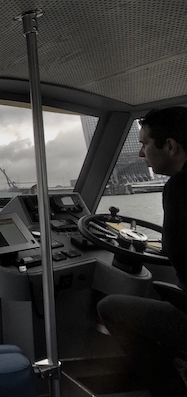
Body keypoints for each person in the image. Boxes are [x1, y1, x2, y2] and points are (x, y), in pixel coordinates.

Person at [98, 106, 187, 396]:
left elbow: (177, 252)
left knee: (110, 308)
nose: (140, 153)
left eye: (145, 143)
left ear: (171, 146)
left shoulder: (180, 188)